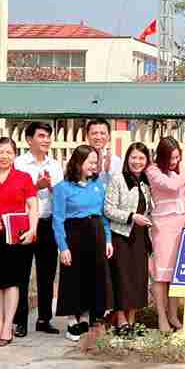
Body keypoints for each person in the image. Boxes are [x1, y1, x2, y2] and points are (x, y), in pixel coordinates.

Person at [0, 137, 39, 347]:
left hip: (16, 236)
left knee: (12, 282)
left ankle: (8, 326)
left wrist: (32, 230)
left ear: (14, 155)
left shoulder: (24, 177)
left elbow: (33, 205)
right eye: (0, 152)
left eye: (8, 152)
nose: (4, 156)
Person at [53, 144, 114, 342]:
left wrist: (108, 240)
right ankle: (72, 320)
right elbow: (58, 219)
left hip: (95, 234)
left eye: (96, 163)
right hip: (74, 235)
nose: (94, 167)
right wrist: (63, 247)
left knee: (93, 277)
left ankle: (87, 317)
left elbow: (104, 216)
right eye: (91, 163)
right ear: (78, 163)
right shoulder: (62, 188)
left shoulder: (98, 186)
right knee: (72, 277)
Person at [146, 135, 185, 334]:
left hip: (182, 225)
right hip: (163, 226)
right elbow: (172, 187)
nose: (174, 161)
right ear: (161, 157)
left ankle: (173, 314)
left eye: (177, 157)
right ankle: (161, 316)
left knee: (176, 273)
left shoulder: (178, 172)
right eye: (171, 158)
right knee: (162, 275)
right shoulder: (153, 171)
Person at [14, 121, 61, 336]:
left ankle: (44, 318)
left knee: (47, 273)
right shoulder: (19, 163)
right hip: (25, 223)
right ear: (29, 139)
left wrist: (51, 187)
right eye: (41, 136)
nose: (46, 140)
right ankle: (20, 320)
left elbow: (60, 194)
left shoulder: (55, 164)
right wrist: (36, 186)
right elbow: (14, 193)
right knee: (22, 273)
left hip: (48, 222)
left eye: (48, 136)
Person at [105, 142, 154, 334]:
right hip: (122, 236)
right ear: (127, 159)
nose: (137, 161)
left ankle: (132, 321)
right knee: (122, 279)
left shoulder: (145, 182)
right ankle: (121, 321)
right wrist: (131, 217)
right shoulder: (118, 179)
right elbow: (108, 209)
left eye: (141, 158)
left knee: (137, 280)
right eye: (134, 157)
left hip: (141, 237)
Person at [85, 115, 124, 319]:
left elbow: (119, 192)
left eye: (102, 133)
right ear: (87, 136)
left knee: (108, 267)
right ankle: (86, 308)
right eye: (94, 133)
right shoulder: (80, 159)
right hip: (86, 221)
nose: (98, 136)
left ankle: (106, 310)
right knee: (87, 266)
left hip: (110, 221)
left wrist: (107, 171)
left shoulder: (116, 162)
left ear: (108, 136)